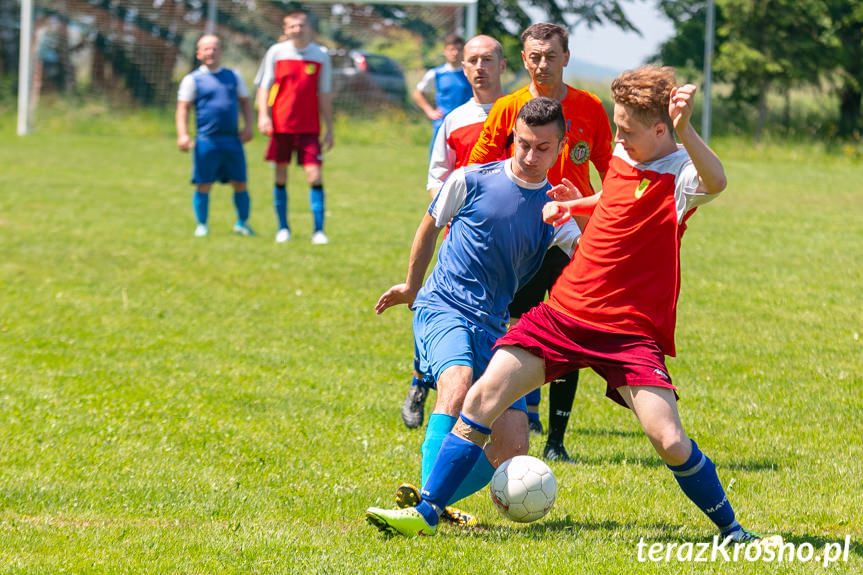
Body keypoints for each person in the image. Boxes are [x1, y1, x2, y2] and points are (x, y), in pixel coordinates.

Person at [367, 66, 775, 546]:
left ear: (662, 129)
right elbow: (618, 197)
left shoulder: (683, 173)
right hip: (565, 313)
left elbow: (718, 181)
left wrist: (688, 131)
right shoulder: (628, 152)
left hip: (628, 331)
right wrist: (578, 204)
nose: (616, 137)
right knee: (481, 399)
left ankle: (732, 530)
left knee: (668, 440)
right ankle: (428, 511)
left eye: (626, 129)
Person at [376, 98, 582, 529]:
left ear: (561, 147)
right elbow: (429, 225)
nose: (530, 155)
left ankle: (436, 499)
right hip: (443, 305)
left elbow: (591, 264)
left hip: (495, 323)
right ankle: (427, 507)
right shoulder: (471, 179)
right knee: (458, 382)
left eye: (543, 148)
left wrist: (585, 206)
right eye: (523, 144)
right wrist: (412, 286)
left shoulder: (558, 211)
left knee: (511, 447)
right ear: (513, 138)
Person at [470, 22, 614, 462]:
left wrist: (600, 223)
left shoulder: (589, 108)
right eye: (534, 56)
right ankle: (493, 416)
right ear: (523, 59)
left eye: (551, 55)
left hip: (572, 243)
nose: (542, 64)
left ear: (566, 57)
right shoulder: (508, 107)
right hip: (517, 238)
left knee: (572, 332)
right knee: (507, 326)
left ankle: (556, 441)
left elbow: (611, 175)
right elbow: (477, 169)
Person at [401, 34, 507, 430]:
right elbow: (436, 178)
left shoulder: (519, 114)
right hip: (461, 237)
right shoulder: (455, 120)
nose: (480, 67)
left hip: (510, 241)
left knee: (510, 315)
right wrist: (450, 212)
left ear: (503, 66)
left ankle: (517, 407)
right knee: (435, 303)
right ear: (463, 68)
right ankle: (419, 380)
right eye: (472, 61)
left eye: (488, 59)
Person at [256, 9, 334, 245]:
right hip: (280, 126)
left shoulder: (320, 55)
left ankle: (318, 231)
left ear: (308, 28)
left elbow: (325, 93)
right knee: (281, 175)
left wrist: (329, 127)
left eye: (301, 25)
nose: (297, 30)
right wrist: (263, 115)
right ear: (285, 29)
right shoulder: (276, 52)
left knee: (314, 175)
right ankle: (283, 228)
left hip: (310, 128)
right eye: (292, 26)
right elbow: (264, 86)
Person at [176, 34, 254, 238]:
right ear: (199, 53)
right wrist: (183, 134)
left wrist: (248, 127)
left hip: (232, 139)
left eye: (215, 48)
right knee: (203, 183)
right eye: (206, 49)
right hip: (207, 140)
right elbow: (183, 108)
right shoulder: (192, 79)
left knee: (240, 181)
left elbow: (245, 102)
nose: (211, 52)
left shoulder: (233, 76)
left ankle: (242, 223)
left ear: (220, 51)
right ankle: (202, 225)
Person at [412, 34, 473, 155]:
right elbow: (418, 93)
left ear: (463, 52)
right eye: (451, 49)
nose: (455, 53)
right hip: (442, 125)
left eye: (458, 49)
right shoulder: (436, 73)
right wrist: (429, 111)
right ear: (445, 51)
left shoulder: (470, 72)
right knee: (439, 160)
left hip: (467, 124)